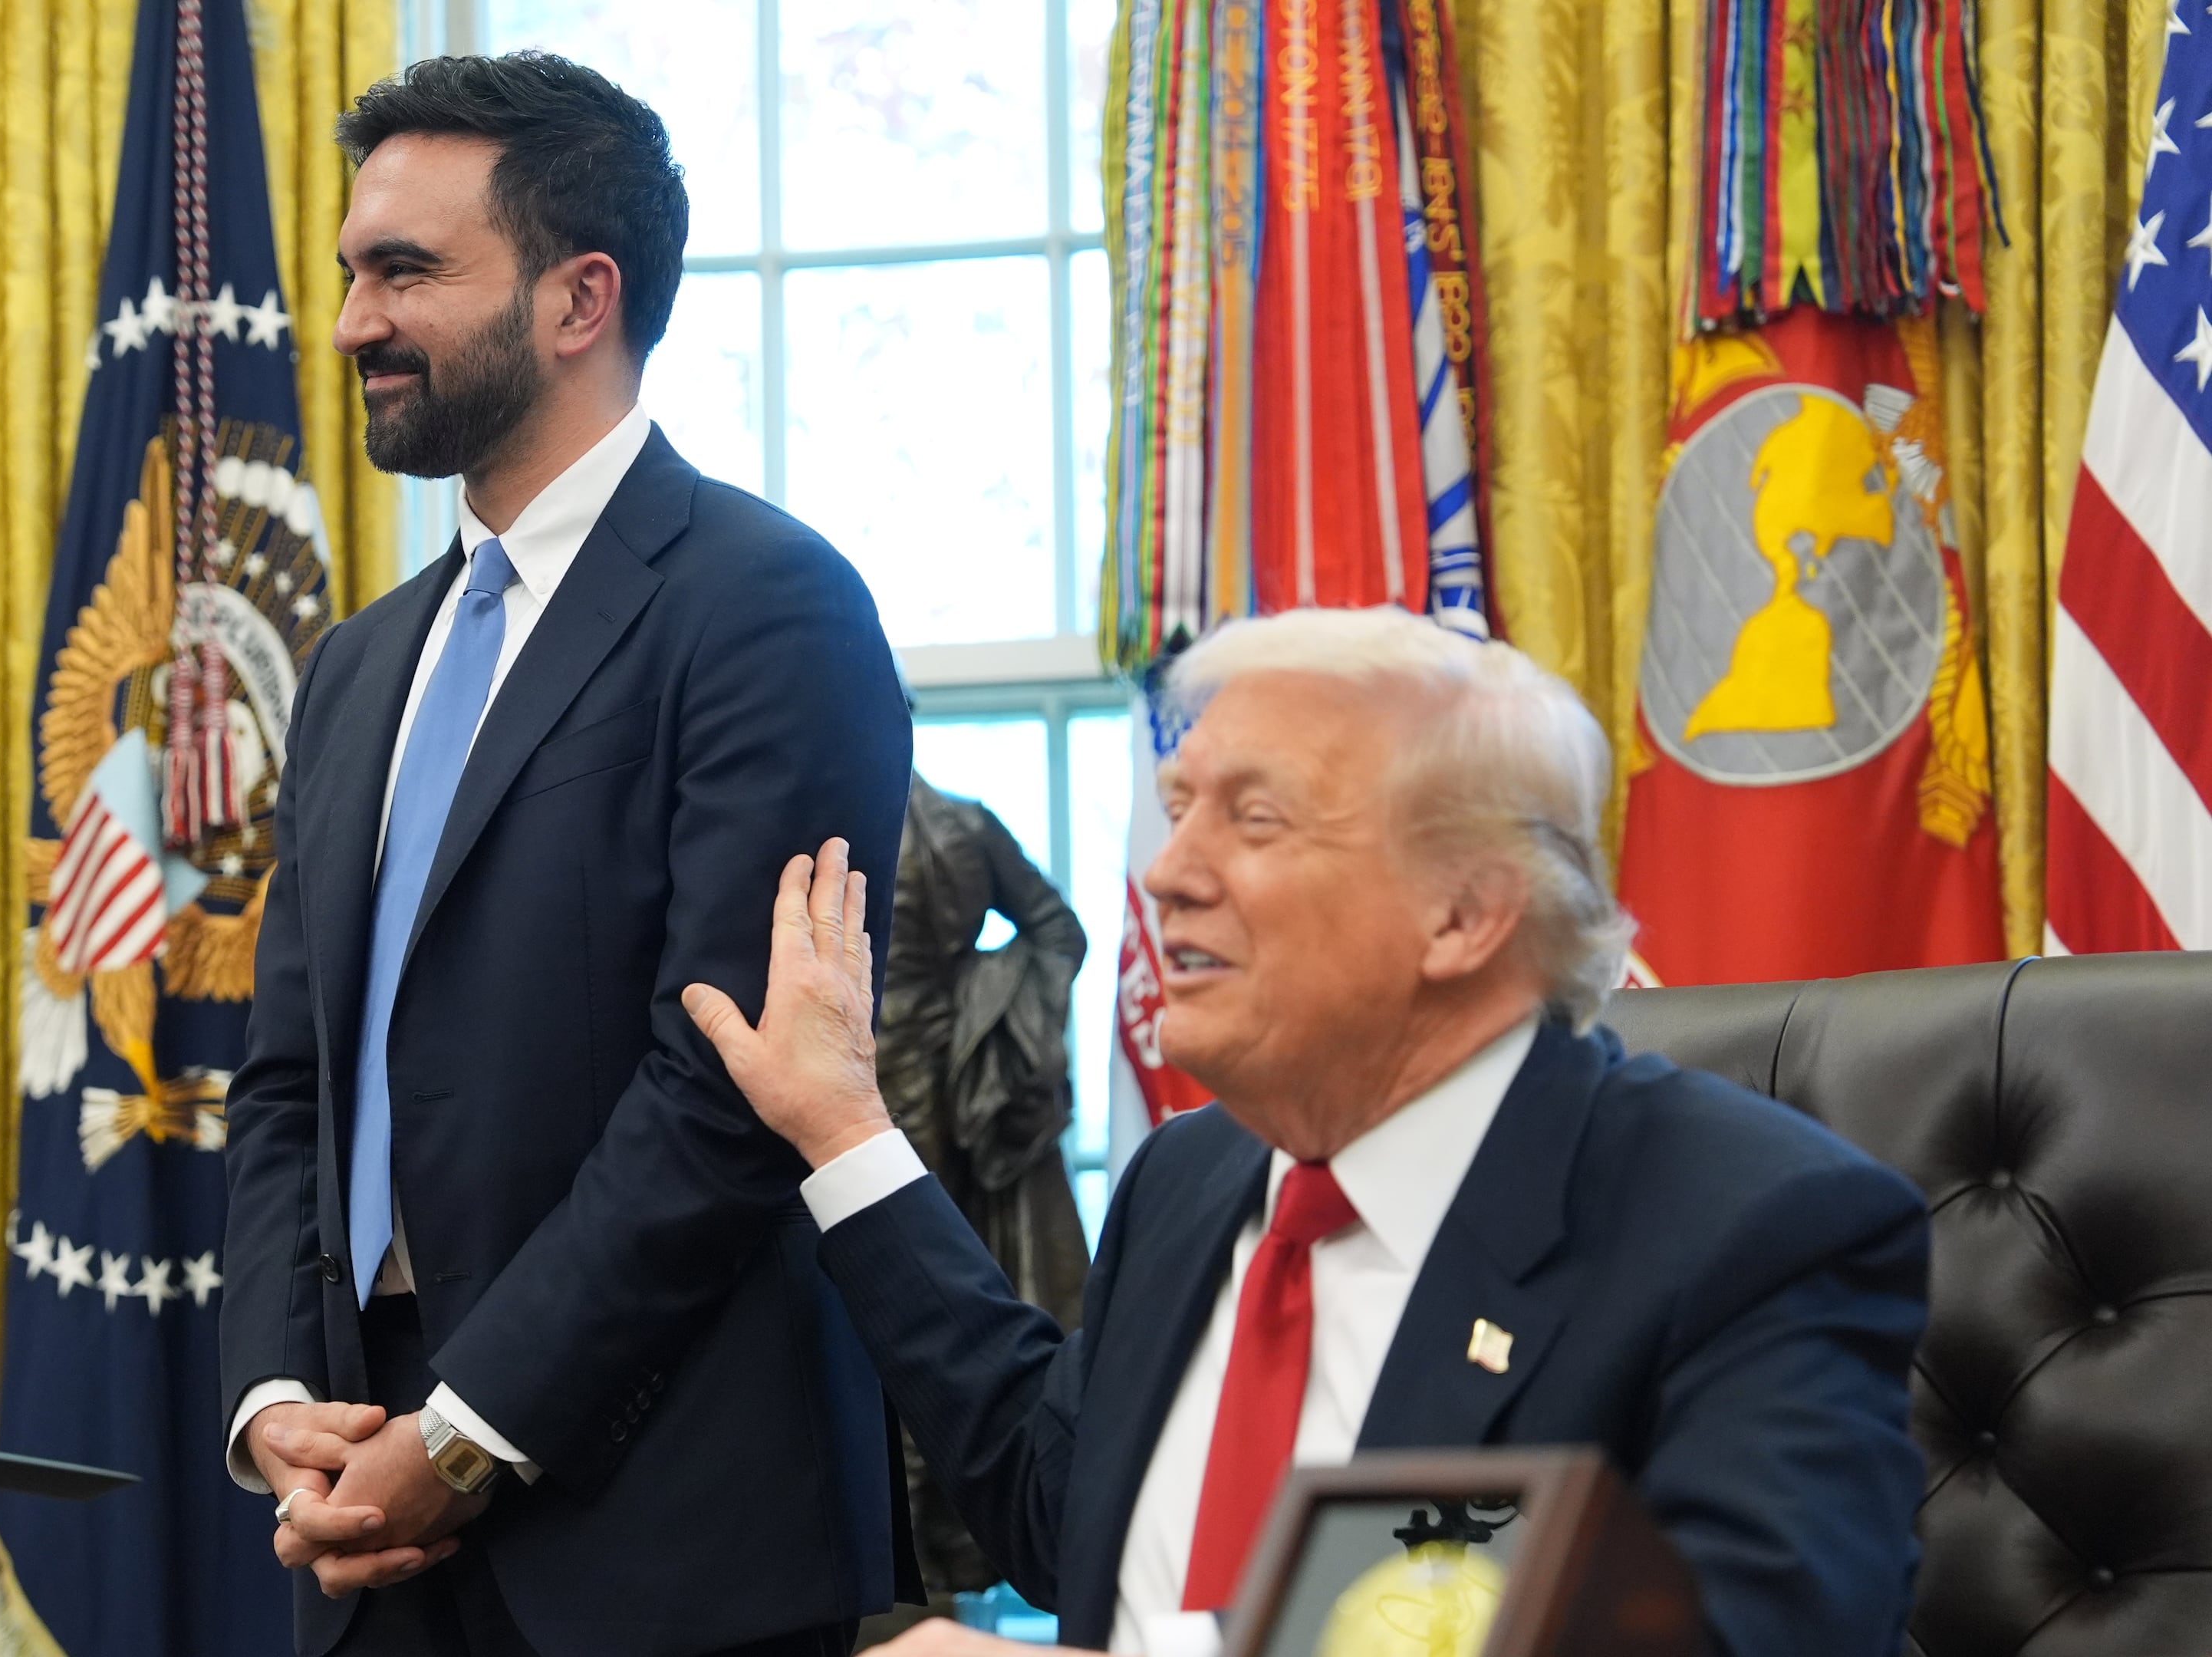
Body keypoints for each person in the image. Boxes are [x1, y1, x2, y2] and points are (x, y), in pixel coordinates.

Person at [685, 607, 1930, 1657]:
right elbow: (1064, 1505)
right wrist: (844, 1125)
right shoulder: (1191, 1175)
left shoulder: (1754, 1229)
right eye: (1179, 810)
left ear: (1465, 912)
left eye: (1255, 820)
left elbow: (1723, 1634)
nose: (1168, 872)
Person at [213, 51, 916, 1657]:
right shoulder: (358, 666)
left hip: (659, 1541)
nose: (352, 325)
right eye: (348, 274)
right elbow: (285, 1086)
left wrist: (461, 1437)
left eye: (407, 273)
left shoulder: (764, 607)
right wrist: (279, 1405)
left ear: (578, 297)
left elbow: (725, 1090)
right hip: (361, 1534)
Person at [875, 774, 1090, 1608]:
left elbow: (1054, 931)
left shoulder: (959, 823)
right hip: (848, 1083)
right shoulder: (941, 821)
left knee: (938, 1317)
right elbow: (1057, 933)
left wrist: (991, 1017)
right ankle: (904, 1571)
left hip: (956, 1101)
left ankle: (935, 1571)